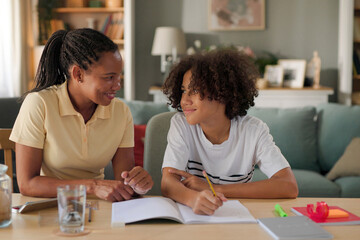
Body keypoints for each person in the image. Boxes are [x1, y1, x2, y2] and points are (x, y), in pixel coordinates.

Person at [10, 28, 153, 202]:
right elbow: (27, 183)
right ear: (78, 74)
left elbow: (122, 183)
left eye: (119, 77)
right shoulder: (40, 103)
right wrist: (92, 187)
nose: (117, 85)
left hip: (98, 207)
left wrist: (136, 184)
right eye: (109, 77)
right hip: (50, 206)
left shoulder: (121, 112)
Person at [161, 49, 298, 215]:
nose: (184, 100)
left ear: (222, 93)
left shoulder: (253, 131)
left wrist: (217, 189)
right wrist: (192, 199)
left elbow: (288, 185)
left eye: (195, 91)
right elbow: (168, 183)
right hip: (195, 216)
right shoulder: (181, 125)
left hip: (238, 217)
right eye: (183, 90)